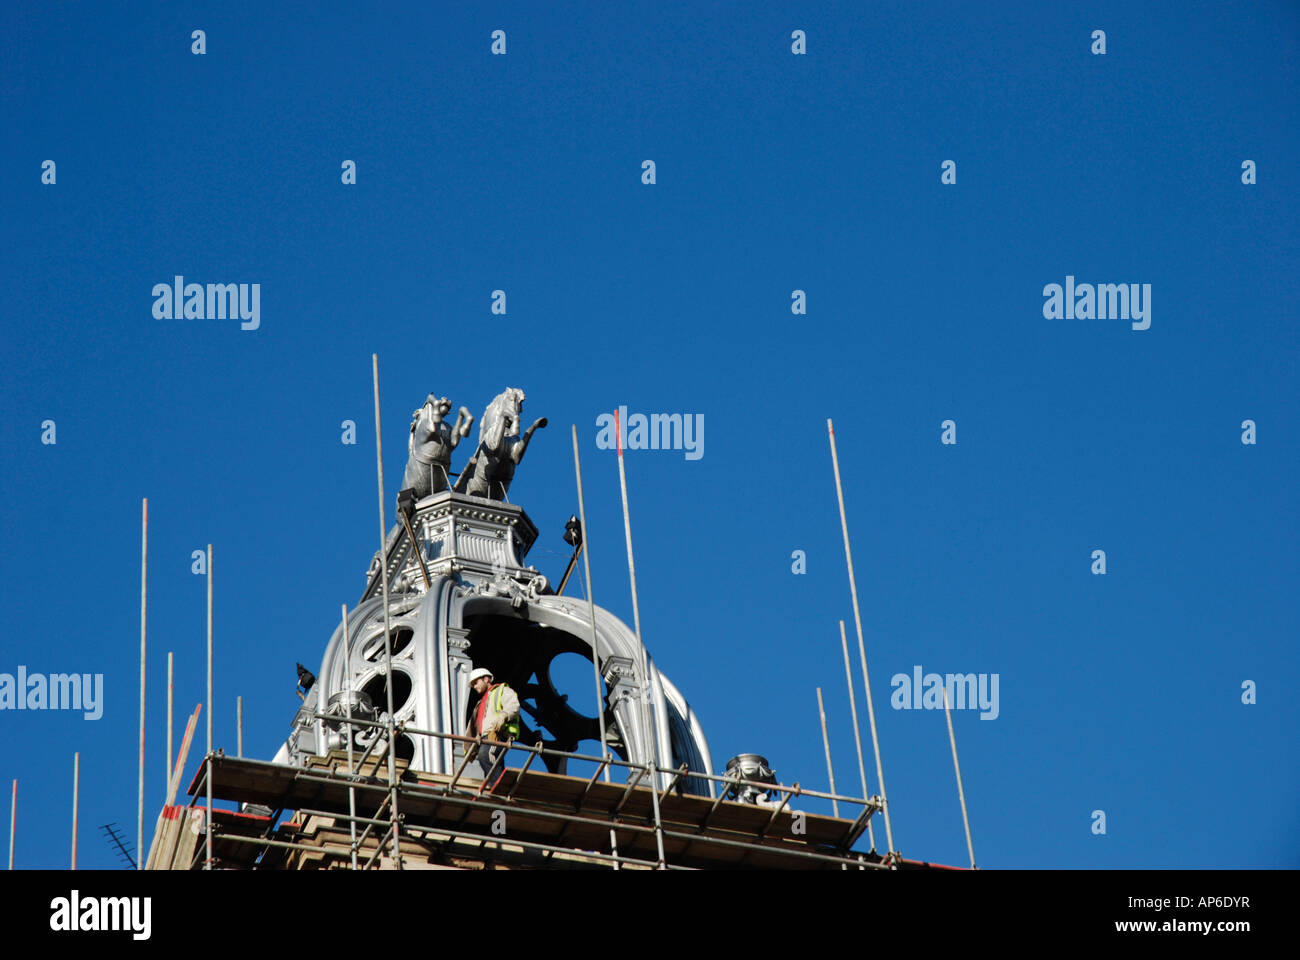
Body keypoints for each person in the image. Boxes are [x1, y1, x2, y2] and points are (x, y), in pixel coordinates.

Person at [465, 667, 520, 783]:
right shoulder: (480, 704)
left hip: (497, 733)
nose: (474, 687)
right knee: (491, 762)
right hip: (484, 737)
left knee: (486, 755)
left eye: (476, 683)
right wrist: (468, 748)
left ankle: (498, 788)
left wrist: (503, 717)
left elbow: (514, 706)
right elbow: (472, 727)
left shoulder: (502, 690)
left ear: (486, 679)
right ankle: (499, 788)